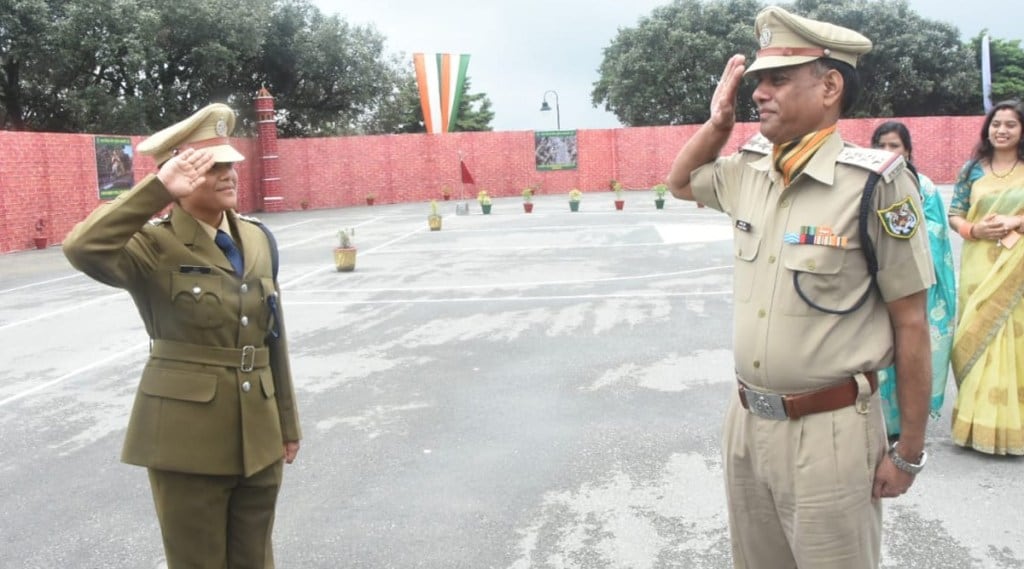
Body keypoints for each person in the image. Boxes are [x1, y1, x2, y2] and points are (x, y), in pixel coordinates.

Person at [665, 6, 934, 568]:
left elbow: (911, 323)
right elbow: (682, 183)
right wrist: (717, 127)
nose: (759, 92)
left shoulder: (875, 184)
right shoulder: (750, 168)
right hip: (746, 424)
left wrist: (908, 451)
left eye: (778, 79)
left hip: (830, 433)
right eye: (758, 80)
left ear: (830, 85)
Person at [63, 103, 302, 568]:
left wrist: (287, 425)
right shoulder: (151, 245)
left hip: (259, 432)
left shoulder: (257, 240)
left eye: (230, 162)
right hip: (187, 439)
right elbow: (81, 247)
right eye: (212, 166)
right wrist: (154, 191)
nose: (229, 173)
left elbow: (274, 337)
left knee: (256, 560)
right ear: (179, 176)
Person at [870, 121, 956, 440]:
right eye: (881, 145)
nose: (888, 152)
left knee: (910, 349)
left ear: (908, 151)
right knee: (879, 347)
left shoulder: (925, 187)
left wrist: (903, 248)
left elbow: (935, 234)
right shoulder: (863, 184)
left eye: (895, 146)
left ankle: (908, 421)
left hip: (916, 284)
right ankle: (880, 418)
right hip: (874, 285)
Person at [947, 99, 1024, 456]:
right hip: (979, 266)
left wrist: (1016, 222)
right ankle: (976, 425)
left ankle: (1013, 427)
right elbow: (955, 214)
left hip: (1016, 267)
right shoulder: (972, 170)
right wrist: (975, 229)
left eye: (1010, 124)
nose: (1002, 130)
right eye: (996, 124)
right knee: (976, 335)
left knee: (1015, 342)